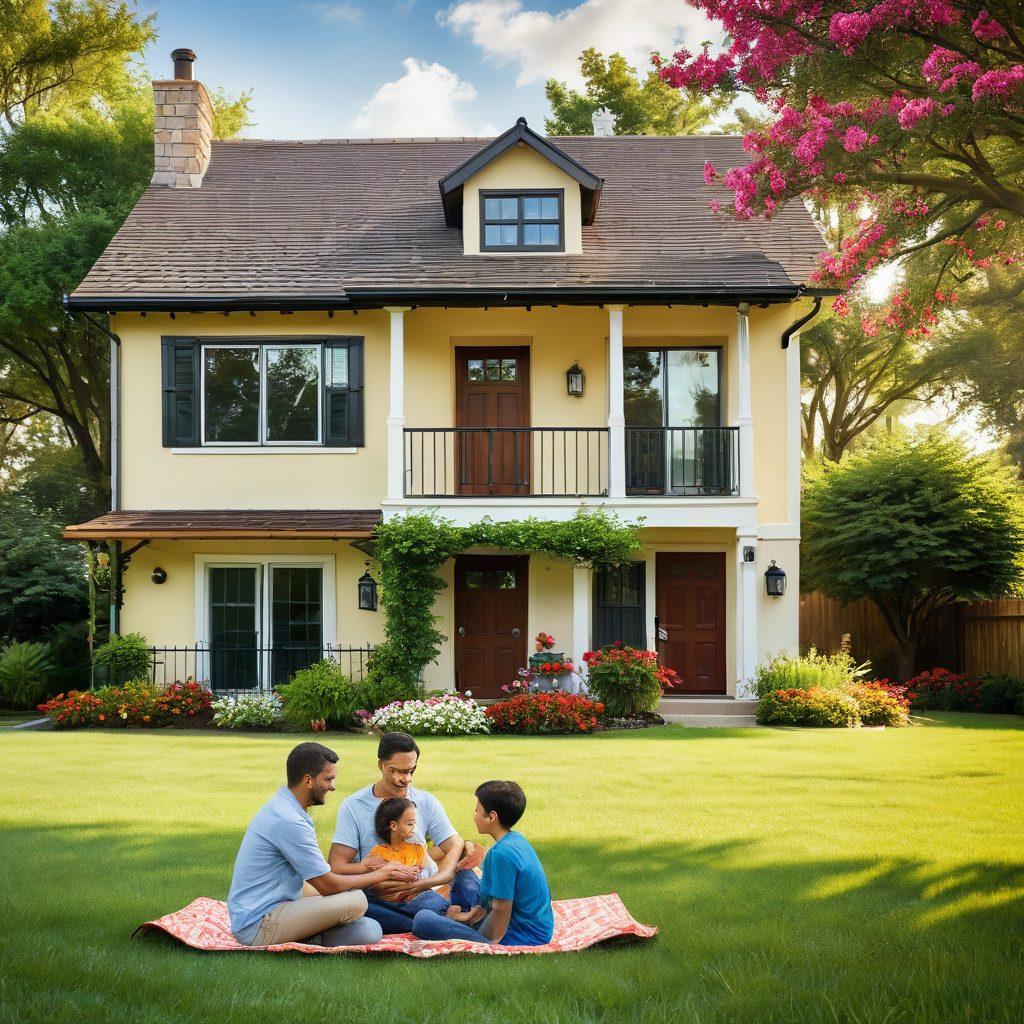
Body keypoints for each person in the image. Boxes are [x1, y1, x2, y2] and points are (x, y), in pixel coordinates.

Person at [227, 741, 419, 947]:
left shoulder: (284, 806)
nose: (333, 786)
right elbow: (328, 885)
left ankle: (312, 934)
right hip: (258, 925)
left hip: (281, 902)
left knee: (369, 930)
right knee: (356, 900)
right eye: (328, 779)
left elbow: (320, 876)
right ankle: (309, 932)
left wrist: (363, 869)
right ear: (308, 780)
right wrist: (382, 874)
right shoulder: (288, 820)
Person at [329, 731, 485, 934]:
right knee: (355, 907)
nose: (406, 779)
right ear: (380, 765)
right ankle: (449, 922)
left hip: (423, 894)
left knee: (467, 869)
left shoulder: (425, 801)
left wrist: (440, 877)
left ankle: (445, 920)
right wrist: (375, 872)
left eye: (411, 771)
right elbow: (336, 866)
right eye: (396, 771)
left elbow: (454, 843)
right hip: (379, 898)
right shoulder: (354, 806)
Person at [411, 780, 554, 946]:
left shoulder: (501, 854)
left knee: (422, 920)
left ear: (491, 817)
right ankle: (465, 913)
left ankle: (460, 916)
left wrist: (482, 940)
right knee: (462, 869)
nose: (474, 816)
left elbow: (501, 909)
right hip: (517, 921)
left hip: (519, 933)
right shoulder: (515, 840)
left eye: (477, 810)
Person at [364, 797, 481, 916]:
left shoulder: (417, 849)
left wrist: (417, 880)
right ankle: (449, 916)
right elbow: (372, 882)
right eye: (410, 824)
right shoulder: (379, 852)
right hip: (394, 903)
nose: (413, 828)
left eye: (414, 823)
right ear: (394, 826)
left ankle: (454, 913)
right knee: (370, 905)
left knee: (433, 901)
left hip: (420, 898)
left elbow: (432, 874)